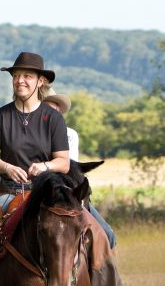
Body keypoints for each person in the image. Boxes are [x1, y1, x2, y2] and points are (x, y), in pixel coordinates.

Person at [0, 52, 132, 286]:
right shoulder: (0, 117)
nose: (20, 81)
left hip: (48, 193)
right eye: (16, 76)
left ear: (40, 82)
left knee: (101, 235)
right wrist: (7, 167)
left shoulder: (53, 118)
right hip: (9, 191)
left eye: (27, 76)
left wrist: (45, 165)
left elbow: (63, 161)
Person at [43, 92, 117, 248]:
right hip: (42, 190)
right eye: (46, 108)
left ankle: (103, 272)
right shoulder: (31, 134)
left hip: (70, 193)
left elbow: (71, 168)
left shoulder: (70, 134)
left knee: (108, 235)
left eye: (55, 109)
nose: (51, 113)